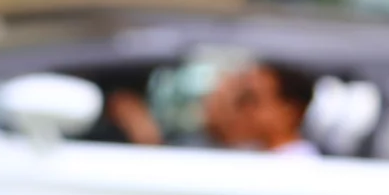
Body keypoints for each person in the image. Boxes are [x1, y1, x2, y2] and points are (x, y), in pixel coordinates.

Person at [106, 54, 318, 153]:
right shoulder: (250, 153)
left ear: (290, 111)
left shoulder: (295, 172)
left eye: (248, 98)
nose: (236, 107)